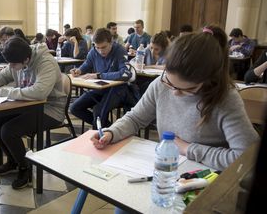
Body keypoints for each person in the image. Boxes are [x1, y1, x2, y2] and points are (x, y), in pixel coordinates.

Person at [91, 25, 259, 171]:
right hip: (167, 168)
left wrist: (188, 149)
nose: (175, 93)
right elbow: (136, 118)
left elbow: (247, 157)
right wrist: (112, 133)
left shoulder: (226, 98)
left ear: (208, 79)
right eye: (170, 83)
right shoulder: (160, 84)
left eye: (187, 90)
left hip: (205, 177)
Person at [0, 37, 66, 189]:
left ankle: (25, 168)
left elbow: (40, 92)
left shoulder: (45, 62)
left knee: (8, 130)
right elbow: (6, 73)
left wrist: (6, 92)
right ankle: (14, 160)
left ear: (26, 59)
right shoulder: (18, 58)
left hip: (50, 109)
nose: (11, 66)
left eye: (14, 64)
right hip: (27, 106)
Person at [69, 28, 137, 128]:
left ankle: (102, 132)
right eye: (97, 47)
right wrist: (79, 70)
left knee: (98, 111)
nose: (100, 51)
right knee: (75, 108)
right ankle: (109, 128)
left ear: (111, 43)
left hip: (118, 90)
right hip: (100, 88)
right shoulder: (94, 51)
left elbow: (126, 74)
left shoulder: (119, 50)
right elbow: (87, 64)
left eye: (103, 47)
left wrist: (99, 75)